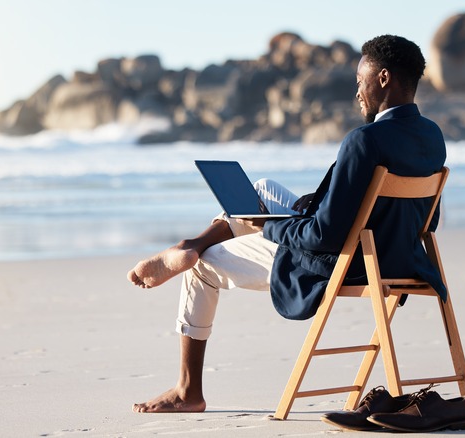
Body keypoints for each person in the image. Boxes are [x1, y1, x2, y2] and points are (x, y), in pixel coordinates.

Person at [127, 34, 447, 413]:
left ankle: (187, 389)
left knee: (204, 268)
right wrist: (322, 204)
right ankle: (191, 244)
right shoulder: (432, 136)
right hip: (399, 255)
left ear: (383, 79)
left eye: (360, 81)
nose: (357, 92)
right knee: (263, 189)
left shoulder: (365, 140)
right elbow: (429, 218)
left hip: (343, 261)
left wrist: (268, 227)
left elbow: (323, 236)